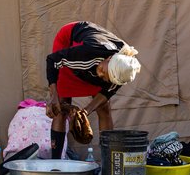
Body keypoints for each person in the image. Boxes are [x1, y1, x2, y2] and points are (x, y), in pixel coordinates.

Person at [46, 21, 141, 159]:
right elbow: (52, 60)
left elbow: (106, 92)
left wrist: (85, 112)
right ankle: (55, 163)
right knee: (60, 107)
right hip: (71, 41)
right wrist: (53, 96)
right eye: (103, 71)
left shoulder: (125, 69)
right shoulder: (88, 53)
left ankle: (108, 163)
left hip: (95, 61)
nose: (101, 75)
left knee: (104, 108)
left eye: (106, 78)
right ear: (109, 59)